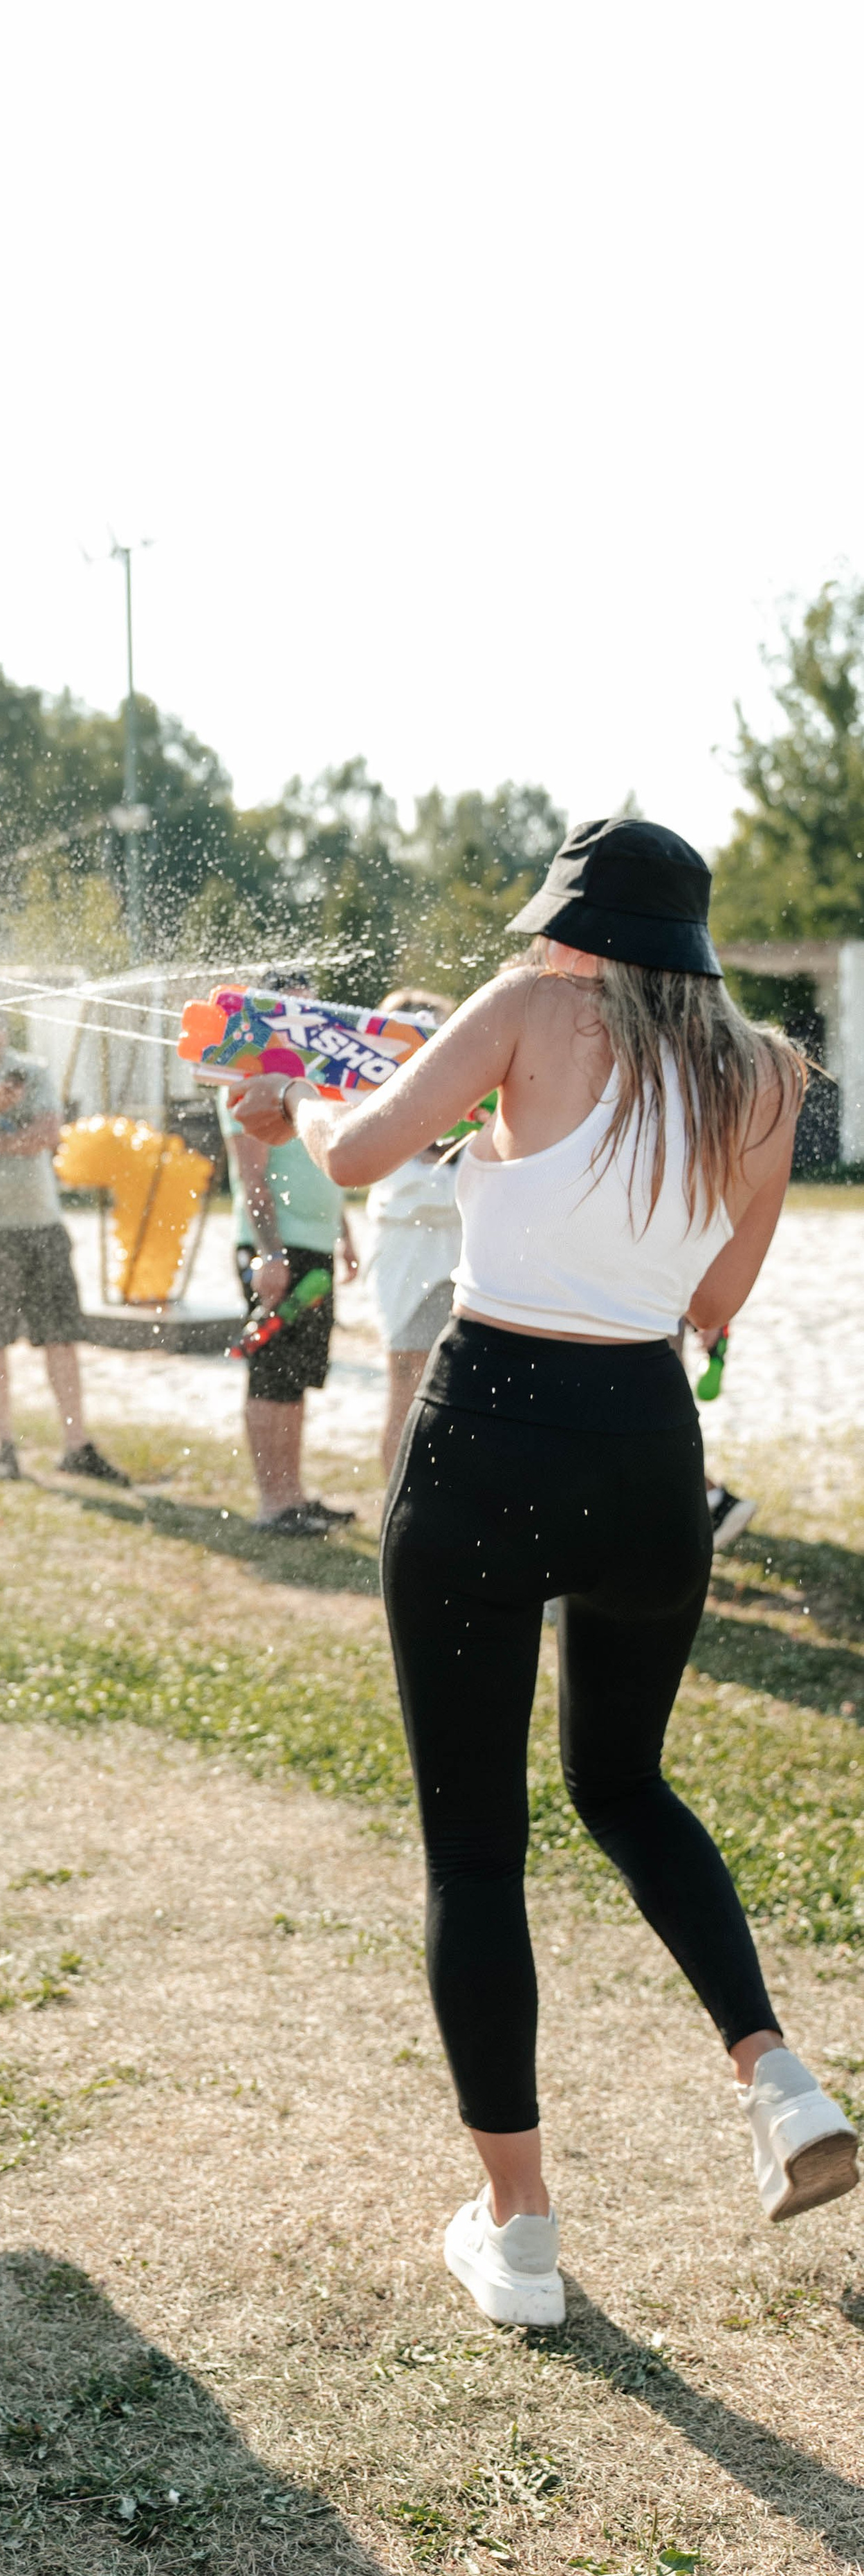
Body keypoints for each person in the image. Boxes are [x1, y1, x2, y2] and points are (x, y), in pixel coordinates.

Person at [237, 816, 857, 2328]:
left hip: (491, 1434)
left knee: (472, 1847)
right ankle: (773, 2076)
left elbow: (357, 1153)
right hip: (645, 1445)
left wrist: (314, 1107)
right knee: (626, 1784)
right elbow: (712, 1298)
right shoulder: (765, 1070)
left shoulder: (525, 1007)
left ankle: (517, 2236)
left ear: (571, 928)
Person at [0, 1008, 128, 1486]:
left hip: (39, 1223)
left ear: (6, 1028)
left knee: (61, 1336)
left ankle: (76, 1445)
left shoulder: (32, 1071)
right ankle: (5, 1447)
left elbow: (47, 1137)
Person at [219, 969, 358, 1537]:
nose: (301, 1023)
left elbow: (324, 1164)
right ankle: (271, 1503)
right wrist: (268, 1255)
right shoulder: (248, 1080)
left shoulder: (310, 1083)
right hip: (275, 1251)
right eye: (290, 1012)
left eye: (308, 1010)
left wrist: (345, 1231)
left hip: (314, 1247)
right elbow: (251, 1180)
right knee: (270, 1374)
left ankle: (293, 1495)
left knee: (298, 1374)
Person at [357, 986, 461, 1478]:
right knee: (409, 1386)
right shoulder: (372, 1104)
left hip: (464, 1268)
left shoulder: (461, 1102)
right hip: (412, 1269)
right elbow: (408, 1189)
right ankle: (397, 1510)